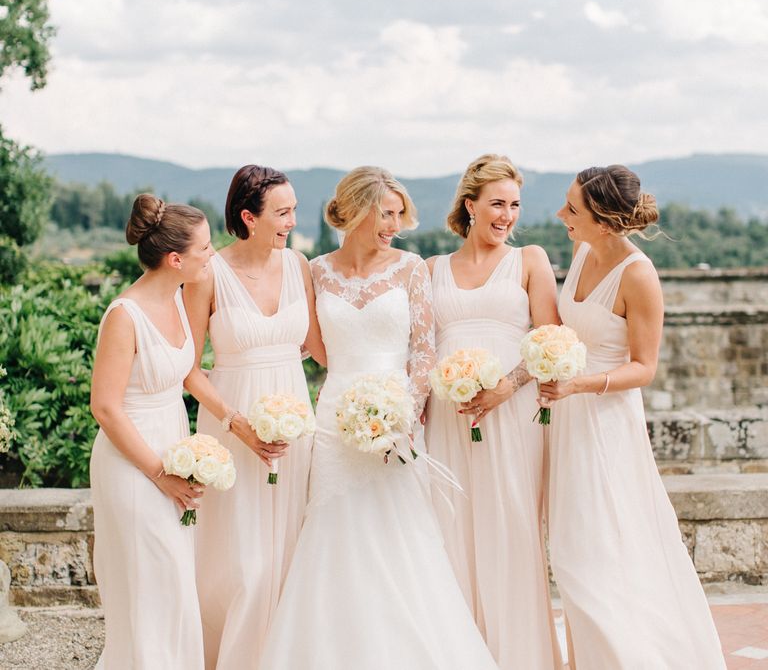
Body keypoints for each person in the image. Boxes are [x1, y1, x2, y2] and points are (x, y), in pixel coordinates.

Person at [259, 166, 497, 669]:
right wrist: (352, 399)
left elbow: (424, 351)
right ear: (358, 208)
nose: (394, 223)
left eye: (398, 214)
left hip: (399, 420)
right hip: (334, 420)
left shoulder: (412, 268)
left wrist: (402, 415)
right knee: (331, 531)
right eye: (385, 213)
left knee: (401, 537)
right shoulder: (315, 270)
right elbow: (317, 348)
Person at [539, 165, 726, 669]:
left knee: (596, 556)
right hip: (567, 423)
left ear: (603, 221)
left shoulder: (638, 274)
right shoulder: (580, 254)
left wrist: (577, 383)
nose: (561, 215)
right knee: (572, 552)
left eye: (572, 209)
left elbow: (644, 367)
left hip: (606, 425)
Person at [183, 165, 325, 669]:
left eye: (292, 210)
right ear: (249, 216)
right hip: (230, 424)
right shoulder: (208, 274)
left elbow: (319, 349)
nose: (291, 220)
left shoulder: (300, 266)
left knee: (290, 551)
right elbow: (190, 371)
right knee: (241, 562)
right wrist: (238, 424)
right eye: (282, 212)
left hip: (294, 424)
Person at [424, 154, 562, 669]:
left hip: (512, 415)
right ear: (470, 205)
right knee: (450, 525)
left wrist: (509, 385)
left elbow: (550, 340)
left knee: (512, 525)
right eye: (497, 204)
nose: (507, 215)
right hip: (449, 418)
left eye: (515, 205)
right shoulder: (431, 269)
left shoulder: (530, 259)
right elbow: (420, 349)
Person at [90, 194, 214, 669]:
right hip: (133, 460)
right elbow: (105, 406)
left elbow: (186, 374)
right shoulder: (126, 315)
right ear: (175, 259)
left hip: (173, 442)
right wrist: (161, 474)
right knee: (151, 582)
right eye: (205, 249)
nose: (212, 255)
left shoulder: (180, 301)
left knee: (177, 584)